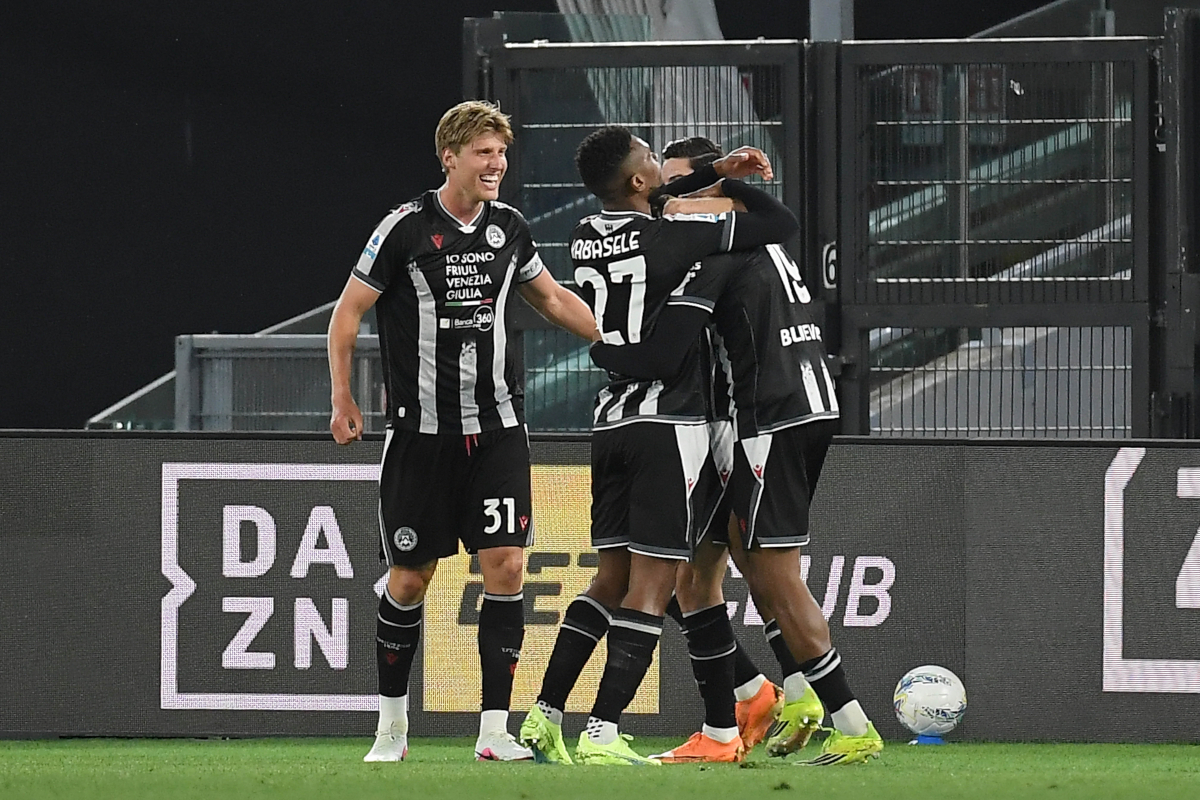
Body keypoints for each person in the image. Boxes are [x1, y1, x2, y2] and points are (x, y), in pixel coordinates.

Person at [589, 138, 885, 766]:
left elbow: (667, 349)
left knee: (764, 573)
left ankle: (848, 720)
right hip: (794, 409)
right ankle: (766, 703)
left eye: (680, 192)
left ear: (715, 200)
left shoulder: (721, 247)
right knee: (699, 565)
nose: (666, 204)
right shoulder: (751, 239)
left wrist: (608, 353)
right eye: (662, 191)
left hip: (767, 419)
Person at [327, 100, 598, 763]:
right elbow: (347, 313)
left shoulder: (511, 228)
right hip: (420, 437)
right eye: (484, 152)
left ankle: (493, 733)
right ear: (449, 157)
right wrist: (342, 398)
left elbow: (553, 298)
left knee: (506, 566)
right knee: (411, 578)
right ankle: (391, 729)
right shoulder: (404, 228)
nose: (496, 164)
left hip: (499, 432)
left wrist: (617, 340)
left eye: (501, 153)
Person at [519, 125, 799, 766]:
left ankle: (543, 716)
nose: (664, 168)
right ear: (642, 181)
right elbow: (776, 223)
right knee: (654, 586)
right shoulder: (680, 241)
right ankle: (603, 733)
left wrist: (687, 180)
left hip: (611, 419)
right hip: (669, 424)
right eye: (653, 159)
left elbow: (644, 200)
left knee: (608, 580)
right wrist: (723, 181)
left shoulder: (586, 234)